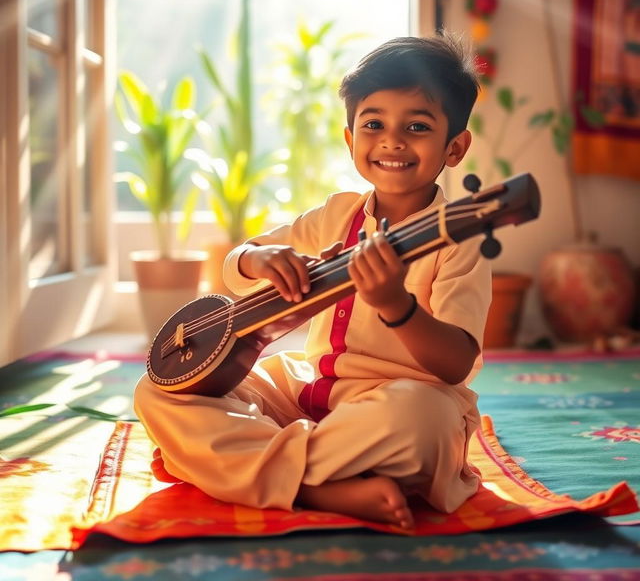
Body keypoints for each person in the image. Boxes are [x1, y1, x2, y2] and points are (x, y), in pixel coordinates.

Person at [134, 32, 492, 531]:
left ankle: (256, 471)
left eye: (416, 126)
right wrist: (261, 260)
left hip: (399, 406)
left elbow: (455, 364)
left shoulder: (459, 239)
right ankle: (319, 484)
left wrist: (397, 306)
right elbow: (238, 263)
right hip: (309, 391)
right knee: (163, 391)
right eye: (373, 124)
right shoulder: (335, 214)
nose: (392, 140)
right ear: (350, 139)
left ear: (455, 148)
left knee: (423, 422)